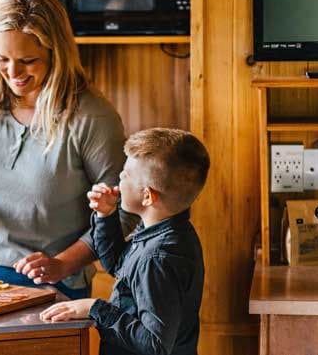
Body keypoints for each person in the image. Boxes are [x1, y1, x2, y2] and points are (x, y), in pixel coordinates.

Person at [0, 0, 137, 299]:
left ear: (56, 53)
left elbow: (124, 210)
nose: (13, 73)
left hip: (57, 286)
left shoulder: (92, 116)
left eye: (27, 60)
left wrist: (62, 264)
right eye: (2, 58)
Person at [40, 127, 210, 355]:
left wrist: (95, 308)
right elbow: (118, 265)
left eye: (126, 174)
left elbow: (156, 345)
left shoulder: (158, 257)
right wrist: (106, 215)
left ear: (148, 196)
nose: (120, 177)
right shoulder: (165, 231)